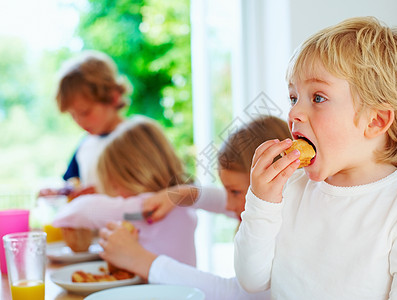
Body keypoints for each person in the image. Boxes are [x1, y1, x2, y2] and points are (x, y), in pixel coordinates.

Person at [233, 16, 397, 299]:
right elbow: (252, 279)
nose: (294, 113)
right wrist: (261, 202)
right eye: (293, 97)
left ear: (375, 120)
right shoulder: (290, 190)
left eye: (318, 98)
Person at [98, 115, 292, 299]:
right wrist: (185, 193)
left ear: (277, 180)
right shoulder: (284, 207)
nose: (227, 204)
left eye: (234, 192)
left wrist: (140, 260)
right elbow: (224, 200)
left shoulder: (288, 233)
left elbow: (237, 295)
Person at [53, 116, 197, 266]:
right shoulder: (182, 204)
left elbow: (78, 212)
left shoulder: (143, 208)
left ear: (133, 176)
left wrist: (58, 214)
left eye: (115, 186)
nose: (116, 194)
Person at [39, 50, 131, 198]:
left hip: (132, 220)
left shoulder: (138, 138)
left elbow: (159, 192)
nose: (79, 122)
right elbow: (72, 182)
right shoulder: (86, 145)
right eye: (72, 115)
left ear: (113, 98)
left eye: (84, 112)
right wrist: (59, 193)